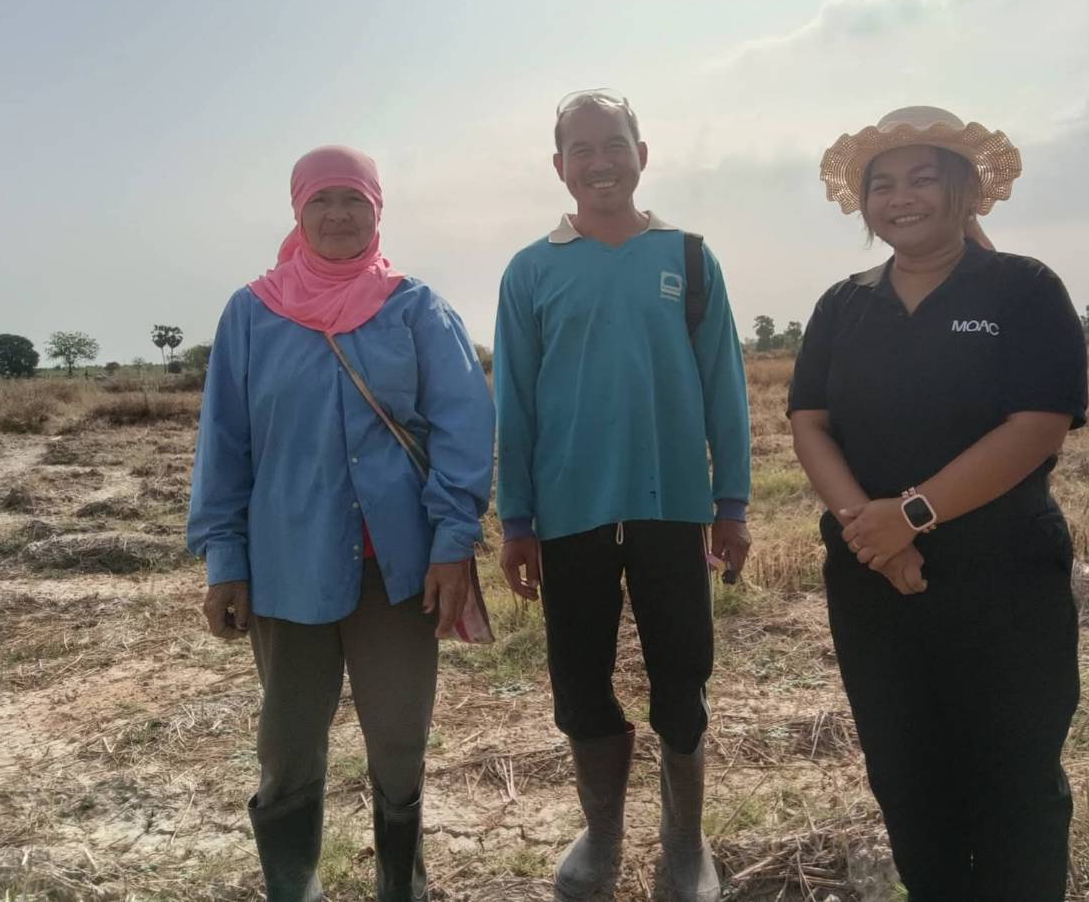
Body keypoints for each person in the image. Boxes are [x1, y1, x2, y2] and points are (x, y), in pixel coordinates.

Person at [788, 106, 1087, 901]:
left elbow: (1037, 425)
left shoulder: (1023, 288)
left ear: (963, 192)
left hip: (1004, 576)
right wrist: (869, 532)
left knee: (1015, 776)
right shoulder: (842, 304)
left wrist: (910, 516)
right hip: (872, 584)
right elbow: (809, 421)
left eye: (922, 178)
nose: (900, 198)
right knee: (906, 776)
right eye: (881, 184)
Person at [187, 145, 495, 902]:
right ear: (297, 211)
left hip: (399, 571)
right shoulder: (251, 313)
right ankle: (294, 887)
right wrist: (225, 560)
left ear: (376, 209)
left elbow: (464, 431)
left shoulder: (416, 308)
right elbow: (224, 444)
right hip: (286, 569)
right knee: (288, 746)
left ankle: (402, 886)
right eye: (320, 200)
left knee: (399, 739)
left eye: (353, 199)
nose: (337, 215)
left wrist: (452, 544)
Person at [492, 89, 752, 901]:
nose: (599, 163)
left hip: (671, 507)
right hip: (567, 513)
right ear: (558, 166)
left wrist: (732, 504)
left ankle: (684, 843)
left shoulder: (689, 258)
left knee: (683, 672)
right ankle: (602, 836)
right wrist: (515, 520)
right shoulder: (531, 270)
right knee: (578, 681)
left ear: (642, 154)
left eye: (613, 145)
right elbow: (514, 405)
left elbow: (724, 387)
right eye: (581, 150)